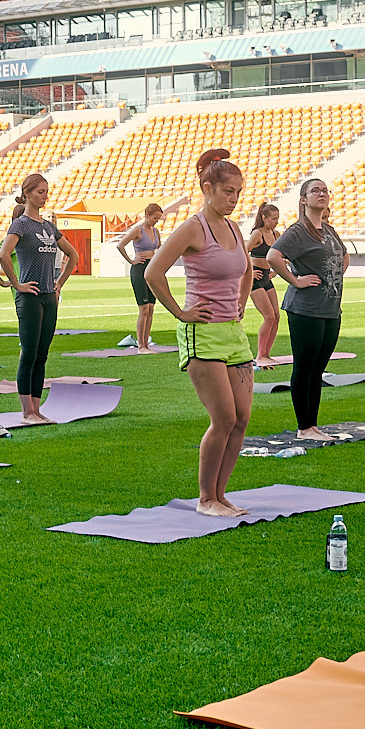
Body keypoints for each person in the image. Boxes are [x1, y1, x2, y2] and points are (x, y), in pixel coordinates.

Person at [148, 150, 255, 515]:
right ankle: (206, 498)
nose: (234, 198)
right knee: (223, 417)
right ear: (207, 188)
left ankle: (221, 495)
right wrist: (180, 312)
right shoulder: (194, 227)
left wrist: (241, 302)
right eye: (228, 191)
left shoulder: (234, 227)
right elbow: (153, 273)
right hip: (203, 333)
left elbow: (247, 270)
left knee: (241, 419)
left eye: (238, 192)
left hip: (233, 332)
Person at [265, 178, 348, 441]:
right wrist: (296, 280)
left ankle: (313, 425)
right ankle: (305, 427)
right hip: (305, 308)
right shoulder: (298, 231)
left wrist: (333, 274)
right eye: (315, 190)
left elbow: (344, 257)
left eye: (325, 190)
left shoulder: (329, 229)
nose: (322, 194)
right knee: (305, 367)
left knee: (318, 369)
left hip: (330, 308)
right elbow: (273, 256)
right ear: (303, 199)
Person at [0, 173, 74, 422]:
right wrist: (17, 284)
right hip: (29, 297)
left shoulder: (49, 226)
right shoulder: (20, 224)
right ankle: (26, 411)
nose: (45, 195)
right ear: (27, 193)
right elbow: (3, 255)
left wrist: (59, 283)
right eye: (40, 191)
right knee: (28, 353)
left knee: (42, 354)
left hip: (49, 296)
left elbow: (73, 255)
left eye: (46, 191)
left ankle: (37, 410)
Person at [114, 204, 166, 352]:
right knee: (143, 309)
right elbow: (120, 245)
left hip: (152, 270)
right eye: (155, 218)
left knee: (150, 308)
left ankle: (146, 344)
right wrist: (131, 260)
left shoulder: (155, 231)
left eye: (158, 218)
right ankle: (141, 345)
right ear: (147, 215)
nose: (156, 221)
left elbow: (159, 248)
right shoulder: (138, 230)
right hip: (140, 269)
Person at [245, 200, 283, 367]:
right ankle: (260, 355)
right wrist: (250, 272)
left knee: (276, 316)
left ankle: (267, 353)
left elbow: (280, 255)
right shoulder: (257, 234)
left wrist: (277, 269)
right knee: (268, 317)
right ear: (264, 217)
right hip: (255, 280)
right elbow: (242, 253)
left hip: (267, 278)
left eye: (277, 218)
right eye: (273, 218)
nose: (276, 221)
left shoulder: (277, 235)